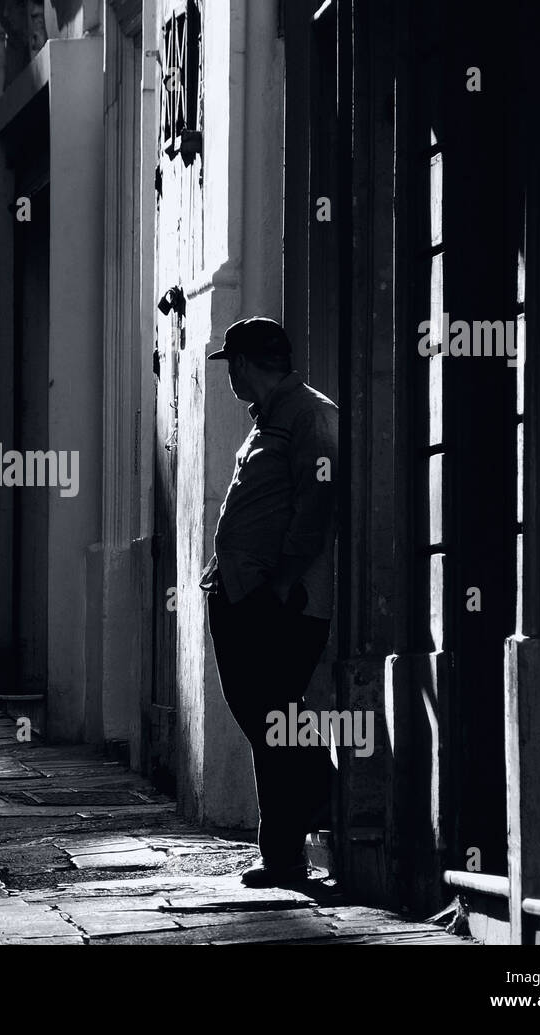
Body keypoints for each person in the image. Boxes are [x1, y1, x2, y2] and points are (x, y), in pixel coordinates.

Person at [199, 317, 340, 888]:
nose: (229, 377)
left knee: (275, 716)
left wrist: (282, 581)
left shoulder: (307, 414)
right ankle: (284, 851)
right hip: (242, 593)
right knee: (264, 719)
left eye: (231, 364)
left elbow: (319, 500)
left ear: (244, 364)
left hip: (279, 600)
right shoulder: (268, 420)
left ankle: (318, 803)